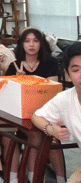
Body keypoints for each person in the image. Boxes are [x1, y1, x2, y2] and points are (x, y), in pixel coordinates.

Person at [4, 28, 63, 183]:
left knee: (51, 138)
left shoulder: (49, 62)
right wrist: (19, 81)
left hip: (46, 112)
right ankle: (34, 176)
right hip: (21, 114)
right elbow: (8, 94)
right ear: (21, 44)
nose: (31, 45)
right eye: (27, 41)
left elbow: (52, 91)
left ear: (41, 43)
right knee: (37, 135)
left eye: (36, 41)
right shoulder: (15, 65)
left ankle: (61, 178)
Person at [32, 43, 81, 183]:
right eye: (76, 70)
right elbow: (37, 116)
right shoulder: (65, 99)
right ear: (68, 75)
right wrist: (50, 129)